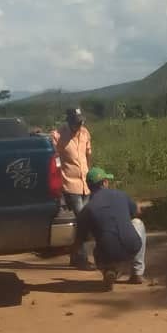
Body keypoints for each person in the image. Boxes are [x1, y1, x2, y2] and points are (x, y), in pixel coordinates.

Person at [76, 167, 146, 290]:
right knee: (137, 223)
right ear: (104, 183)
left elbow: (80, 239)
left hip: (107, 253)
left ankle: (108, 269)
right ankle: (137, 273)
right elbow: (137, 212)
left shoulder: (87, 209)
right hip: (132, 246)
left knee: (96, 240)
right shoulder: (121, 195)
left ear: (89, 187)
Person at [51, 107, 92, 269]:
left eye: (81, 122)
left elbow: (88, 155)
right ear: (68, 121)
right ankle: (81, 258)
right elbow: (53, 157)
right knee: (82, 221)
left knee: (82, 221)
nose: (79, 125)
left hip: (86, 185)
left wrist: (89, 176)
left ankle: (75, 256)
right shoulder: (59, 135)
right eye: (76, 123)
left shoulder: (85, 133)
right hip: (70, 184)